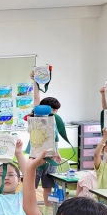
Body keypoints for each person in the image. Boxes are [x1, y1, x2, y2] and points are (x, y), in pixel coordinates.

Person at [31, 70, 62, 206]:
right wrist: (35, 82)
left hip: (50, 158)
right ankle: (30, 209)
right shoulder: (38, 118)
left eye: (56, 111)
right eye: (52, 110)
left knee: (48, 187)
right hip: (36, 157)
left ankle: (46, 211)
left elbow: (55, 139)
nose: (54, 113)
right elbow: (36, 99)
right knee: (32, 185)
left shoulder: (54, 122)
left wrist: (57, 152)